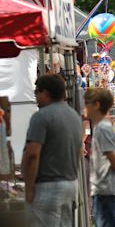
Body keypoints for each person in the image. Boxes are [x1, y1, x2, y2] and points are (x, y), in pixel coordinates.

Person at [22, 74, 82, 227]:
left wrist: (29, 189)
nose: (35, 96)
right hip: (70, 183)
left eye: (37, 92)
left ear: (46, 93)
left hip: (47, 185)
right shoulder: (74, 116)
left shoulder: (41, 116)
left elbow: (32, 154)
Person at [84, 88, 115, 227]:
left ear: (97, 105)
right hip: (106, 189)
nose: (85, 107)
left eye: (87, 103)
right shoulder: (105, 127)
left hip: (105, 189)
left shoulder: (102, 128)